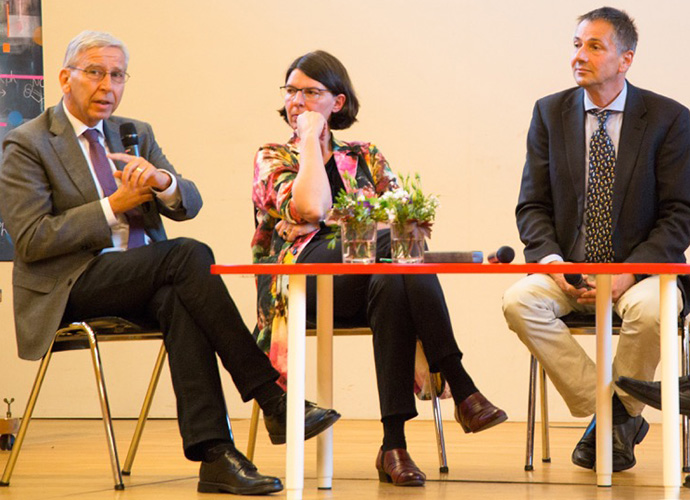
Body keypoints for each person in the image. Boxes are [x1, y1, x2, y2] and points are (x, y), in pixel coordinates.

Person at [0, 31, 341, 496]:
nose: (108, 86)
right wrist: (113, 205)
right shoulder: (27, 144)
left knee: (181, 296)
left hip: (142, 276)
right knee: (188, 255)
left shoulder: (133, 132)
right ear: (65, 78)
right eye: (96, 73)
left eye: (117, 75)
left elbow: (190, 201)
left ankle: (214, 455)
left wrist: (162, 182)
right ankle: (272, 397)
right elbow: (32, 239)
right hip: (69, 284)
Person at [252, 50, 507, 487]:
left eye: (311, 92)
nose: (298, 100)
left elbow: (409, 221)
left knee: (393, 274)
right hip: (302, 283)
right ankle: (463, 387)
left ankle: (394, 445)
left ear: (338, 102)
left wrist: (370, 226)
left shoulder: (365, 155)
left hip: (366, 284)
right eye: (292, 90)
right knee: (389, 247)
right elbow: (311, 205)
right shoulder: (273, 156)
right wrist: (311, 143)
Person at [502, 7, 690, 473]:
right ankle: (617, 413)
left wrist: (630, 272)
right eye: (575, 45)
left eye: (594, 46)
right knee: (518, 300)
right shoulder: (549, 112)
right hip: (571, 267)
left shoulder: (669, 119)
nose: (579, 56)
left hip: (641, 270)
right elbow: (533, 205)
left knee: (651, 311)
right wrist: (551, 260)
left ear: (625, 59)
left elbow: (679, 213)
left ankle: (614, 422)